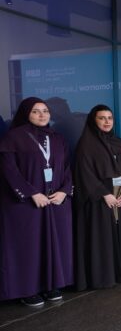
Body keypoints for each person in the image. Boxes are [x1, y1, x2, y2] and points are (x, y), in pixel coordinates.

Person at [0, 98, 73, 306]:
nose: (42, 115)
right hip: (25, 204)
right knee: (28, 245)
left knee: (53, 243)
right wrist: (31, 193)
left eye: (45, 111)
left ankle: (51, 285)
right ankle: (27, 289)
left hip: (54, 201)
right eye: (36, 111)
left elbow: (67, 168)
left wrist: (64, 191)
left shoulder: (57, 138)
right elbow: (8, 170)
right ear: (26, 114)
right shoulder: (13, 138)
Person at [73, 105, 121, 291]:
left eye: (110, 118)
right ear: (94, 120)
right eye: (102, 118)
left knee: (119, 235)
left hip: (120, 196)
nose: (107, 121)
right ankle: (103, 278)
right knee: (102, 237)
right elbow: (84, 173)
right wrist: (104, 194)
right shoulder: (86, 144)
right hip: (100, 199)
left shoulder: (118, 142)